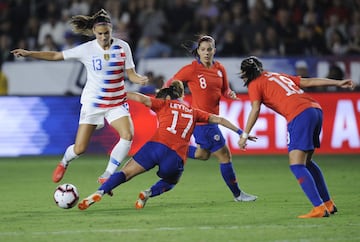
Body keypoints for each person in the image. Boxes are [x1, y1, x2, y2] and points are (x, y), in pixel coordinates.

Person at [11, 9, 148, 183]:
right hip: (94, 104)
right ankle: (64, 161)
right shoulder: (87, 49)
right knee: (80, 148)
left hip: (116, 102)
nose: (104, 37)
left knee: (128, 135)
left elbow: (131, 73)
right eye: (100, 34)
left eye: (107, 33)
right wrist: (30, 54)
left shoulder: (123, 47)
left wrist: (139, 79)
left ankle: (107, 174)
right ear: (93, 32)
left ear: (111, 30)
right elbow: (56, 55)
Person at [77, 81, 257, 210]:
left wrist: (116, 94)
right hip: (176, 155)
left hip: (155, 146)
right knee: (171, 181)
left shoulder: (163, 105)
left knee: (125, 173)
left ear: (168, 97)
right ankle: (147, 193)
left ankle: (100, 192)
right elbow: (220, 119)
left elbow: (140, 98)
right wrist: (241, 132)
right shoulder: (194, 112)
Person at [238, 56, 355, 218]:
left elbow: (255, 109)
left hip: (299, 114)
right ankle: (328, 203)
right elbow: (307, 82)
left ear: (245, 74)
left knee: (297, 165)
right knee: (306, 162)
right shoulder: (277, 76)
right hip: (315, 110)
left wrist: (244, 135)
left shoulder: (254, 84)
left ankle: (319, 208)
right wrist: (336, 82)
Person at [164, 35, 257, 202]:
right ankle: (238, 195)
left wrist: (230, 94)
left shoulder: (220, 68)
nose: (206, 52)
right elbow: (170, 84)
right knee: (225, 156)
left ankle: (173, 149)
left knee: (203, 154)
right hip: (202, 121)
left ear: (214, 50)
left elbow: (225, 90)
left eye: (209, 49)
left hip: (212, 119)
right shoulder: (191, 69)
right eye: (203, 50)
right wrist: (174, 99)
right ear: (198, 52)